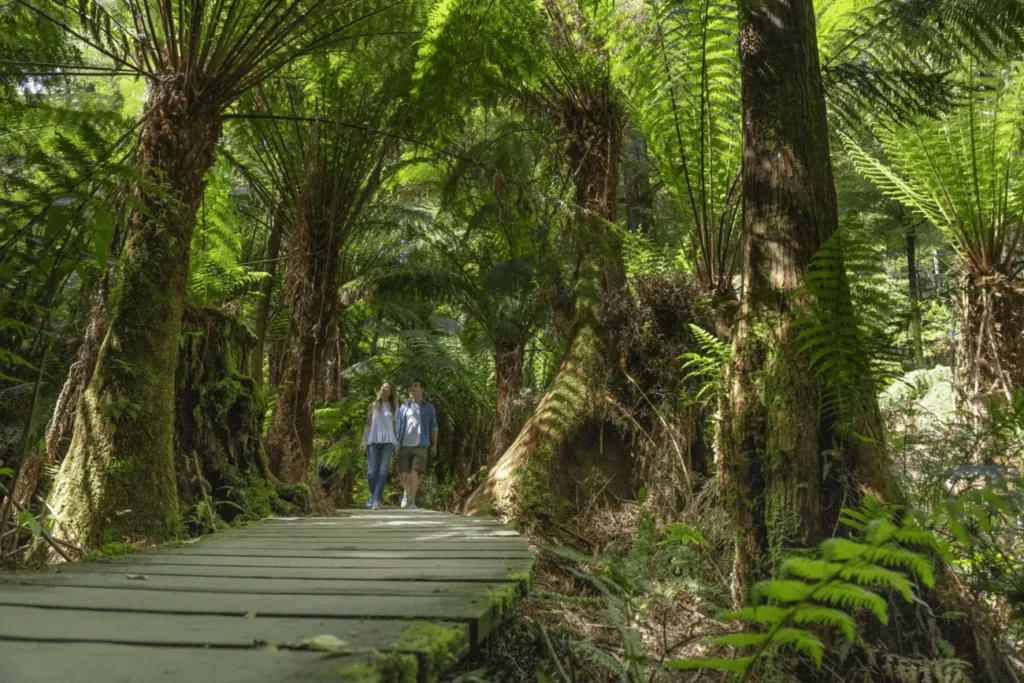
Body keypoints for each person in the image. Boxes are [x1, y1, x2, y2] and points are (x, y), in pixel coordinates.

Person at [395, 379, 438, 510]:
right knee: (403, 474)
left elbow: (434, 427)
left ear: (422, 389)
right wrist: (396, 441)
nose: (412, 388)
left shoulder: (429, 408)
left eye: (415, 386)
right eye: (412, 385)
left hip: (421, 444)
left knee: (415, 472)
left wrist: (434, 445)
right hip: (404, 444)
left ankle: (412, 501)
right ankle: (406, 493)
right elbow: (398, 425)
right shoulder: (404, 407)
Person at [360, 381, 399, 510]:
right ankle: (372, 495)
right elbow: (368, 425)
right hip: (373, 441)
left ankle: (376, 499)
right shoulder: (373, 406)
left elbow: (393, 426)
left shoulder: (394, 408)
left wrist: (396, 441)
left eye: (386, 387)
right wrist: (363, 441)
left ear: (391, 392)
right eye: (382, 387)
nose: (383, 389)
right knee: (372, 472)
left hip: (388, 441)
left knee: (383, 471)